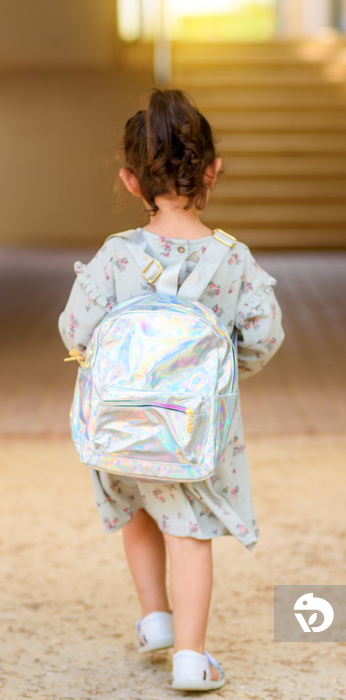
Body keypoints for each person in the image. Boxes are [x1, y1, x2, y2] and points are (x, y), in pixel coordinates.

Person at [58, 87, 285, 692]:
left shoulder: (115, 256)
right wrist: (219, 372)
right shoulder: (233, 261)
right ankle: (191, 656)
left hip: (123, 426)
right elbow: (263, 337)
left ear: (131, 181)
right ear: (212, 171)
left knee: (136, 500)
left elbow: (74, 330)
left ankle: (155, 618)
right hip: (193, 431)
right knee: (188, 529)